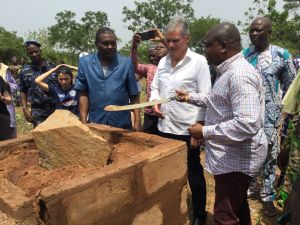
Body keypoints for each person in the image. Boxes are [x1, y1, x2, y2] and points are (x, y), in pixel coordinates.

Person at [177, 22, 268, 225]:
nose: (204, 51)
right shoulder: (228, 71)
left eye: (208, 45)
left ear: (223, 47)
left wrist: (204, 131)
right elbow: (217, 100)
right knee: (238, 208)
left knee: (224, 217)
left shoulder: (239, 75)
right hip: (231, 156)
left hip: (237, 158)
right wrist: (189, 97)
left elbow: (247, 123)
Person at [150, 17, 211, 225]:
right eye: (168, 40)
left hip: (188, 129)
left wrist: (200, 127)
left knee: (194, 173)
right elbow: (155, 87)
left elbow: (206, 95)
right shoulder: (162, 62)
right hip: (165, 126)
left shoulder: (199, 62)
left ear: (187, 38)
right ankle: (171, 211)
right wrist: (154, 101)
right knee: (167, 173)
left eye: (175, 40)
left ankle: (199, 215)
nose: (171, 45)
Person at [243, 17, 296, 217]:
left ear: (269, 32)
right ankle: (250, 186)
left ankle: (267, 196)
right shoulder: (245, 55)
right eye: (251, 31)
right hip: (247, 113)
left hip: (271, 116)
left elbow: (291, 87)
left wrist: (284, 116)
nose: (254, 34)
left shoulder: (281, 55)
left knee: (269, 155)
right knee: (247, 150)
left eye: (259, 30)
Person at [74, 27, 141, 130]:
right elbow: (83, 93)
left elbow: (133, 94)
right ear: (96, 44)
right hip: (96, 121)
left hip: (121, 123)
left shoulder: (126, 63)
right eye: (105, 43)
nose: (110, 47)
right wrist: (83, 120)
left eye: (113, 43)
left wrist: (137, 121)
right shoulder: (85, 63)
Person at [130, 30, 168, 134]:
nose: (157, 50)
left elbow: (178, 51)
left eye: (160, 47)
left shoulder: (173, 67)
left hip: (166, 114)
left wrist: (164, 40)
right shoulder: (149, 68)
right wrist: (134, 46)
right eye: (151, 55)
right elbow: (134, 66)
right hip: (150, 114)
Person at [19, 40, 57, 127]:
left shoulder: (52, 67)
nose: (34, 54)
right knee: (40, 137)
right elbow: (22, 90)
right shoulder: (24, 71)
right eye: (30, 53)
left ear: (41, 51)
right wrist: (25, 109)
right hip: (38, 111)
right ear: (28, 55)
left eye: (36, 51)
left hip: (55, 108)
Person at [0, 76, 12, 141]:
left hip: (2, 117)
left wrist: (2, 98)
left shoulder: (0, 79)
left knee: (6, 146)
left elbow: (9, 100)